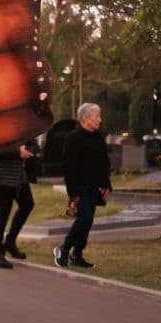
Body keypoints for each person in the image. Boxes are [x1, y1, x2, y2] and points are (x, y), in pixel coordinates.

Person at [54, 103, 111, 269]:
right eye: (96, 117)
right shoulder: (73, 138)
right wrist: (73, 192)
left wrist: (106, 184)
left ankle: (77, 254)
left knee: (88, 221)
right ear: (85, 119)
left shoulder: (98, 138)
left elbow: (104, 163)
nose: (100, 120)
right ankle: (63, 249)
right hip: (79, 187)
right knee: (84, 218)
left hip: (94, 187)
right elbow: (68, 167)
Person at [0, 139, 40, 268]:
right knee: (4, 210)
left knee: (27, 204)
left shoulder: (23, 119)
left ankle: (9, 243)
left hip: (17, 171)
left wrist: (29, 151)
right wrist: (18, 152)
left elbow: (33, 141)